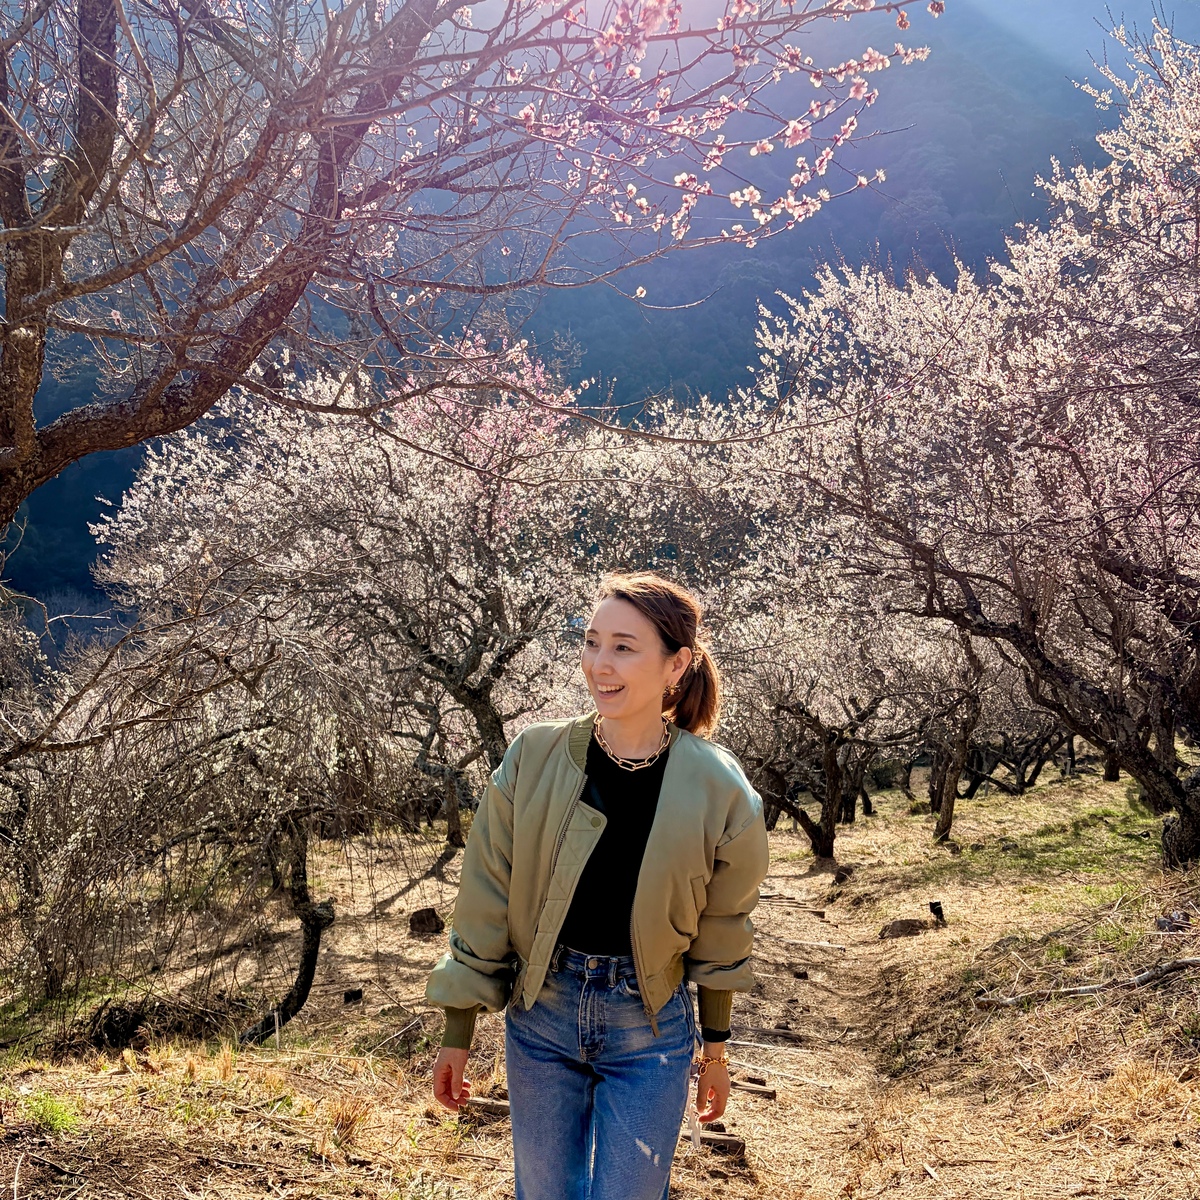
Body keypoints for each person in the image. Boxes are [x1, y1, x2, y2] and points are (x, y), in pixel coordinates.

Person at [425, 571, 769, 1200]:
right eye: (591, 642)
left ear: (677, 666)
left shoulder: (718, 786)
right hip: (542, 1015)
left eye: (624, 647)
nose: (599, 664)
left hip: (650, 1026)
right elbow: (486, 893)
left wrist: (714, 1048)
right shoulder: (534, 756)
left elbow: (724, 924)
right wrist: (458, 1030)